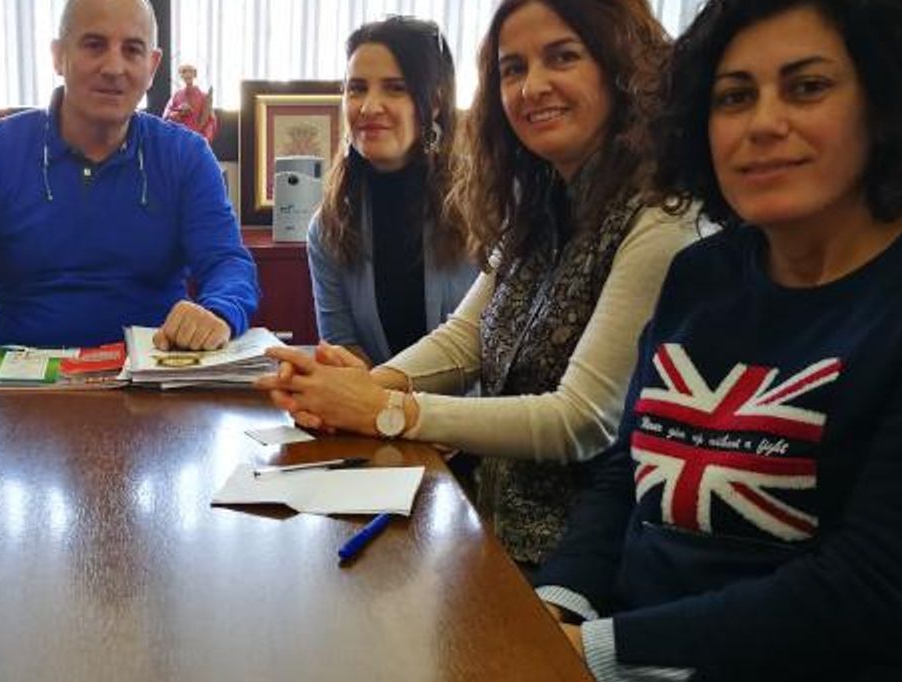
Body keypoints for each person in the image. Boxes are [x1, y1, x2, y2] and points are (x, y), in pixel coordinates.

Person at [533, 0, 902, 682]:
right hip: (646, 677)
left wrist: (605, 659)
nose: (764, 123)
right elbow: (629, 470)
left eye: (807, 86)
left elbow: (873, 587)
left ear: (884, 104)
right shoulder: (702, 274)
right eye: (734, 97)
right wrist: (559, 606)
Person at [258, 0, 699, 565]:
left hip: (583, 563)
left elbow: (581, 419)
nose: (532, 86)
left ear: (623, 68)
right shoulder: (542, 205)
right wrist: (357, 388)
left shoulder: (660, 217)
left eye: (561, 57)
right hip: (485, 530)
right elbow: (465, 337)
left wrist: (387, 408)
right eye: (513, 68)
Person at [0, 0, 257, 366]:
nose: (114, 67)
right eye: (94, 45)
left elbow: (227, 263)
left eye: (132, 50)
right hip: (16, 384)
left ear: (152, 66)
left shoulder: (187, 156)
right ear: (58, 56)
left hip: (153, 378)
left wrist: (219, 312)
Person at [306, 16, 478, 367]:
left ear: (433, 101)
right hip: (375, 416)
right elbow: (342, 347)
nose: (369, 107)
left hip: (478, 417)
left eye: (395, 88)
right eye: (356, 88)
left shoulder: (487, 205)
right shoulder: (328, 228)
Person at [162, 62, 218, 142]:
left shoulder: (204, 97)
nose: (187, 74)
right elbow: (166, 116)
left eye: (190, 71)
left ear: (195, 74)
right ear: (181, 76)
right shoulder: (176, 96)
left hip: (197, 139)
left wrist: (205, 138)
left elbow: (211, 121)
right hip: (180, 138)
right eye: (184, 71)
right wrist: (179, 113)